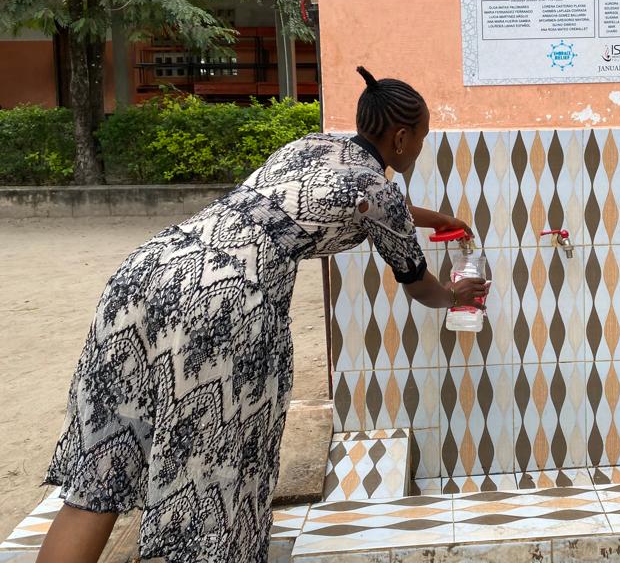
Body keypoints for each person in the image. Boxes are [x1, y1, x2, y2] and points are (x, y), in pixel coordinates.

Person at [37, 67, 486, 563]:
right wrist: (456, 295)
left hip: (146, 274)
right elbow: (419, 285)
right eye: (420, 137)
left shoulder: (309, 149)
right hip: (227, 304)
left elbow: (356, 202)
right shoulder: (375, 191)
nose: (419, 147)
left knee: (101, 473)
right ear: (400, 138)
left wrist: (433, 218)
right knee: (218, 492)